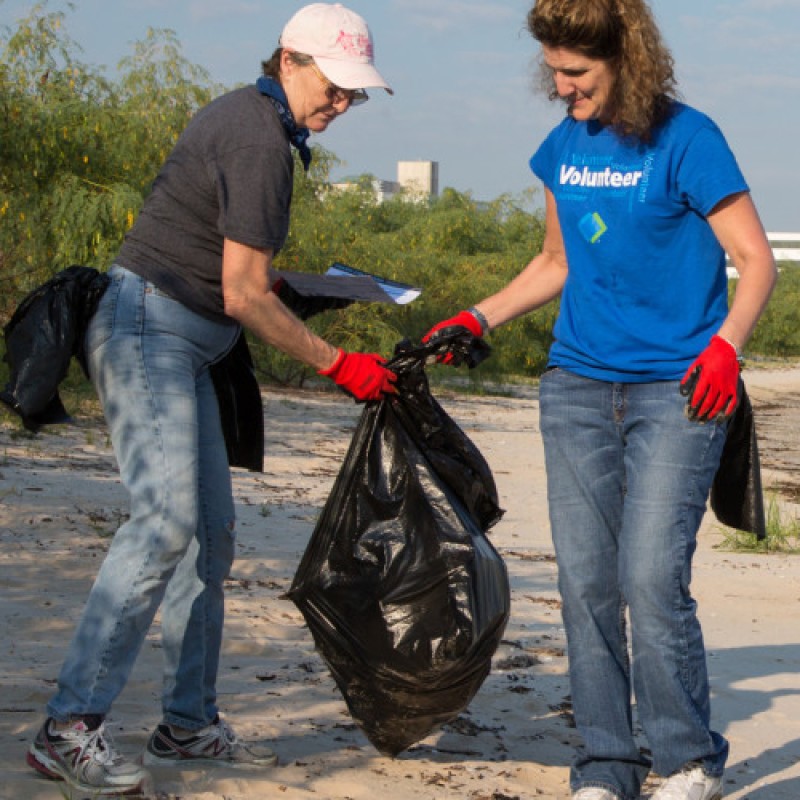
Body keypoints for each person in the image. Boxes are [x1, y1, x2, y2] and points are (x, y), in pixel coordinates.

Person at [26, 3, 396, 797]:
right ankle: (68, 726)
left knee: (210, 538)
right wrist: (340, 364)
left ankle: (187, 724)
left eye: (354, 95)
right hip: (150, 331)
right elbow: (241, 293)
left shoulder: (264, 127)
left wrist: (298, 292)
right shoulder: (258, 135)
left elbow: (237, 276)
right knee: (163, 524)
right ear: (290, 61)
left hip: (184, 340)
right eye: (335, 87)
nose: (341, 104)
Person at [423, 1, 777, 799]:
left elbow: (757, 263)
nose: (560, 87)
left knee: (651, 576)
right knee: (585, 582)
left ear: (629, 59)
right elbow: (556, 261)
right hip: (577, 389)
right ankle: (605, 767)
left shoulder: (690, 140)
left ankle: (686, 759)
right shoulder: (563, 147)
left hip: (679, 393)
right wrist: (477, 314)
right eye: (551, 70)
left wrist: (727, 348)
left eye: (575, 73)